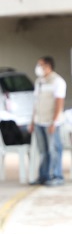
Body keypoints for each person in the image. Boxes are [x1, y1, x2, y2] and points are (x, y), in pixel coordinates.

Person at [29, 56, 66, 186]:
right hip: (39, 121)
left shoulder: (58, 82)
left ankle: (57, 176)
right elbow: (36, 103)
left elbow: (59, 104)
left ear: (48, 66)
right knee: (43, 151)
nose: (38, 67)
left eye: (40, 65)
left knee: (55, 149)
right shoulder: (39, 82)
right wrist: (32, 121)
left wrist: (54, 123)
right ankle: (43, 176)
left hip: (51, 122)